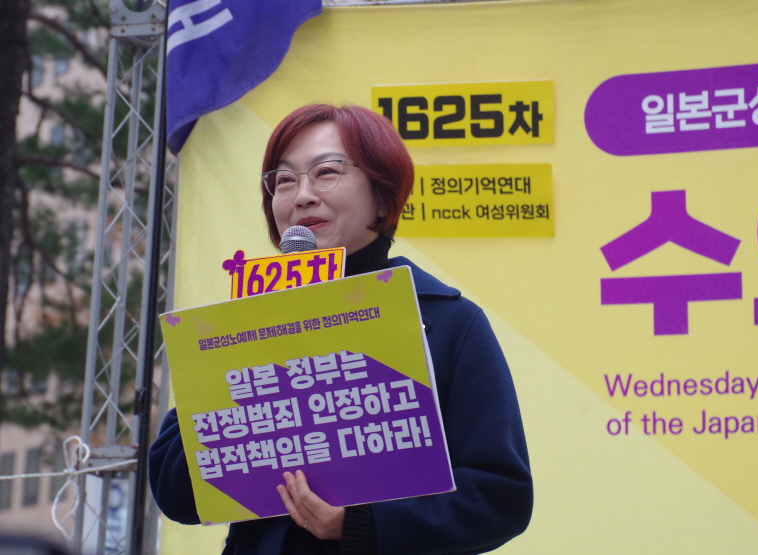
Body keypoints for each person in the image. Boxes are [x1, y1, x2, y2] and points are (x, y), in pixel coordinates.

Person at [149, 104, 533, 555]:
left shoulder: (448, 323)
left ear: (384, 197)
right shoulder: (247, 328)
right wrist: (239, 354)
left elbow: (499, 497)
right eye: (284, 180)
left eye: (326, 172)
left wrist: (362, 524)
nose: (302, 196)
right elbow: (176, 492)